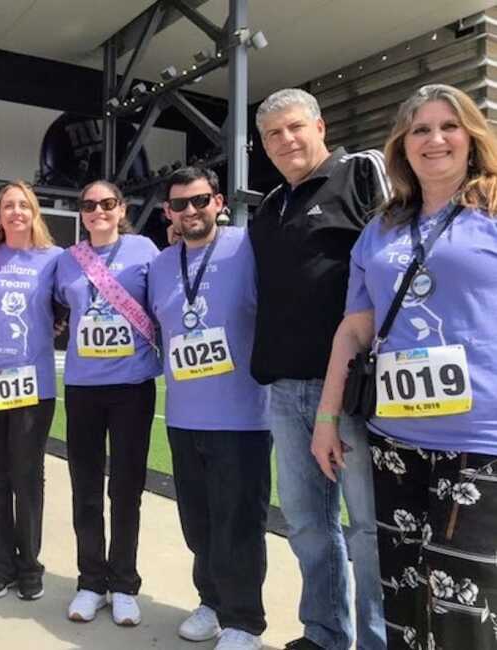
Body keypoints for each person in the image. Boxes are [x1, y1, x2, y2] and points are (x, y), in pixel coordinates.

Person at [313, 84, 497, 650]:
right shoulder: (381, 228)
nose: (434, 139)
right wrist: (325, 418)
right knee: (404, 596)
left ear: (472, 138)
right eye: (419, 129)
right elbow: (355, 328)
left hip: (480, 440)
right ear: (402, 145)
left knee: (465, 603)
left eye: (448, 126)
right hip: (395, 439)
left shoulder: (492, 208)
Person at [250, 88, 387, 650]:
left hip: (356, 390)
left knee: (368, 532)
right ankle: (325, 633)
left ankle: (378, 640)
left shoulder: (361, 175)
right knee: (308, 526)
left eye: (294, 127)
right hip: (286, 390)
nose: (285, 141)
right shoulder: (268, 205)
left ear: (320, 126)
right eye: (272, 135)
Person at [148, 167, 270, 650]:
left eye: (200, 200)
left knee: (238, 521)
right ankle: (212, 602)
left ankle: (245, 621)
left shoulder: (249, 247)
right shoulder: (160, 264)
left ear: (218, 200)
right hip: (183, 416)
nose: (191, 211)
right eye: (180, 204)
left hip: (242, 417)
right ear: (168, 213)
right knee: (198, 521)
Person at [54, 180, 161, 627]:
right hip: (82, 388)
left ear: (122, 209)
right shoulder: (66, 262)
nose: (98, 211)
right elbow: (54, 312)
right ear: (81, 213)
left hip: (132, 387)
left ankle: (123, 584)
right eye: (89, 205)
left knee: (126, 490)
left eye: (107, 203)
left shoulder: (145, 251)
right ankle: (90, 581)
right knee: (85, 488)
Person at [0, 181, 62, 601]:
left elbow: (71, 300)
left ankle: (30, 565)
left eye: (24, 205)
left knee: (28, 476)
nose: (16, 212)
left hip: (32, 384)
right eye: (8, 206)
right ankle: (1, 566)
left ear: (34, 212)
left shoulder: (54, 259)